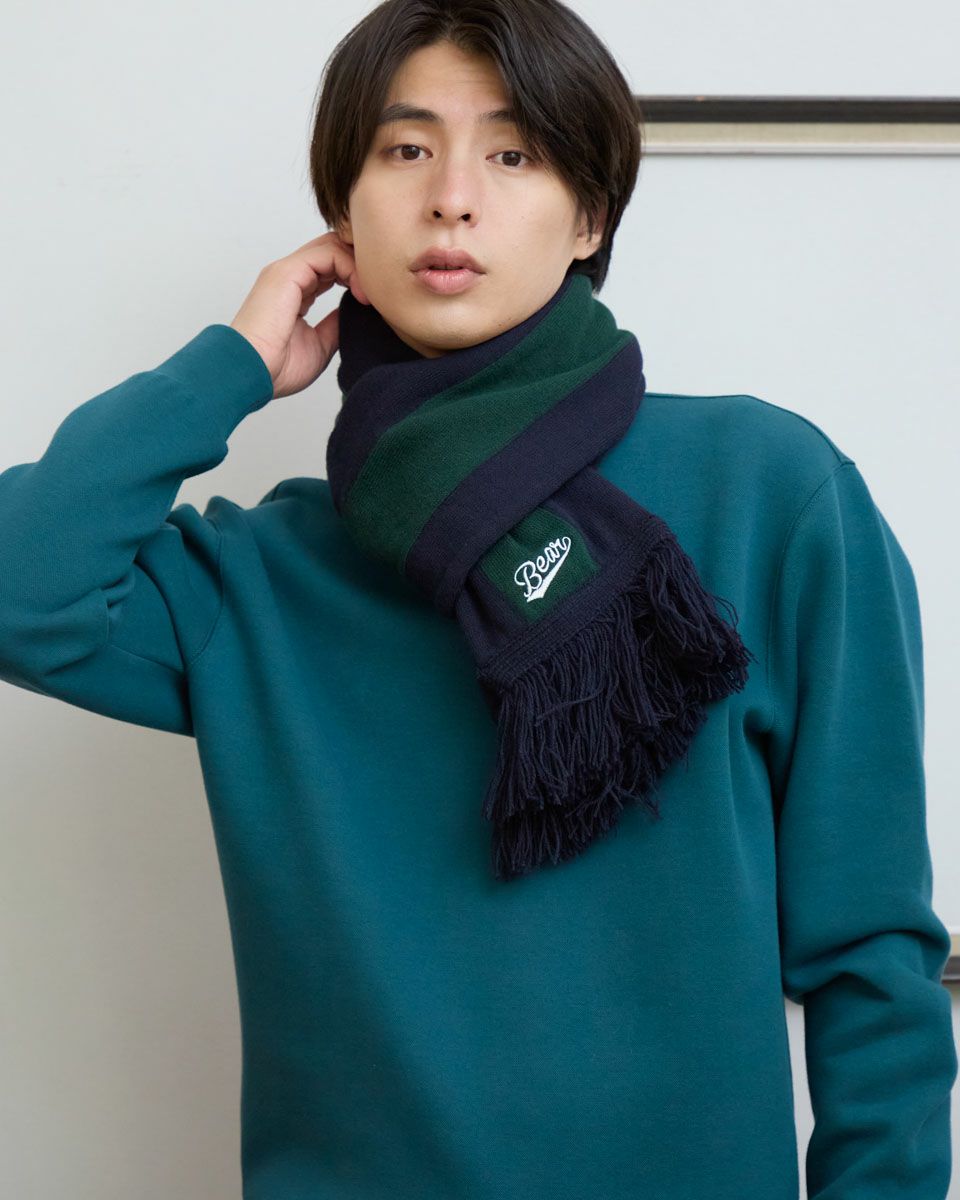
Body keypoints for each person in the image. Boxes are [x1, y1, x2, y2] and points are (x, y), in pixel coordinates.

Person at [0, 1, 955, 1196]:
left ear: (590, 217)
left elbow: (869, 953)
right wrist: (233, 364)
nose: (452, 197)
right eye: (406, 150)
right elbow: (22, 585)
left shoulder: (767, 494)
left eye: (515, 153)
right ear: (343, 218)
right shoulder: (259, 577)